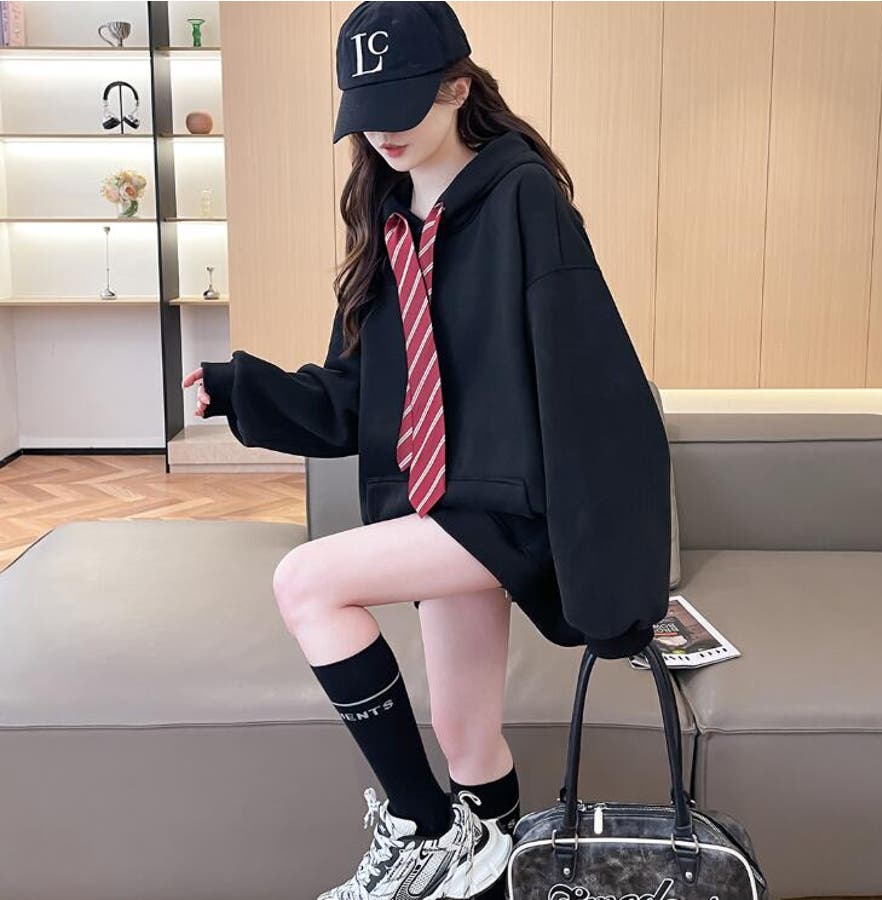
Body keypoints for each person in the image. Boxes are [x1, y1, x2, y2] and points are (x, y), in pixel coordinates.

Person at [182, 3, 672, 899]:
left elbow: (594, 382)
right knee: (466, 738)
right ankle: (483, 870)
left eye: (403, 104)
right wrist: (245, 390)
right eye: (366, 112)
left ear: (456, 87)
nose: (383, 131)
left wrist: (615, 571)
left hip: (509, 507)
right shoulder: (384, 215)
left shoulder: (522, 197)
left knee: (307, 583)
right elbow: (354, 396)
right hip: (435, 499)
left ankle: (421, 827)